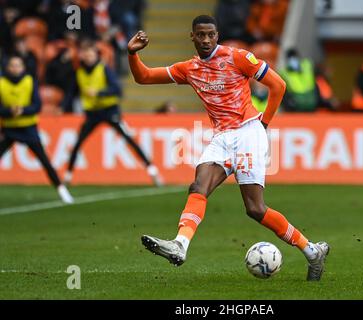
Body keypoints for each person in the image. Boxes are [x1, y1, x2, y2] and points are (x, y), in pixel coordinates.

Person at [128, 15, 330, 281]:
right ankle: (180, 244)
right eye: (200, 35)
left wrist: (264, 125)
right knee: (198, 187)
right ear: (192, 37)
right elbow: (143, 77)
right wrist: (131, 54)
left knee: (255, 209)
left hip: (248, 132)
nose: (206, 40)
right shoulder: (188, 69)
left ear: (217, 35)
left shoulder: (238, 58)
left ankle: (311, 251)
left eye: (210, 34)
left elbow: (278, 86)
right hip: (222, 137)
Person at [64, 40, 163, 186]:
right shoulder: (78, 73)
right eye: (86, 54)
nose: (89, 57)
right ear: (82, 56)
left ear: (96, 55)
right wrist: (63, 107)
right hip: (92, 114)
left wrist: (99, 93)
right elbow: (71, 93)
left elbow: (117, 90)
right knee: (78, 142)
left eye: (91, 54)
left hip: (110, 111)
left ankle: (152, 170)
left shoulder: (104, 69)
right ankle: (68, 175)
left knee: (129, 139)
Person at [0, 55, 74, 204]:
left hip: (28, 129)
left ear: (23, 67)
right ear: (8, 68)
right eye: (12, 65)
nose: (15, 68)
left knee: (45, 161)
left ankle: (61, 190)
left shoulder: (29, 81)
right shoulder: (1, 83)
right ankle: (61, 190)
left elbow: (37, 106)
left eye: (18, 65)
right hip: (9, 129)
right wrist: (9, 112)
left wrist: (22, 110)